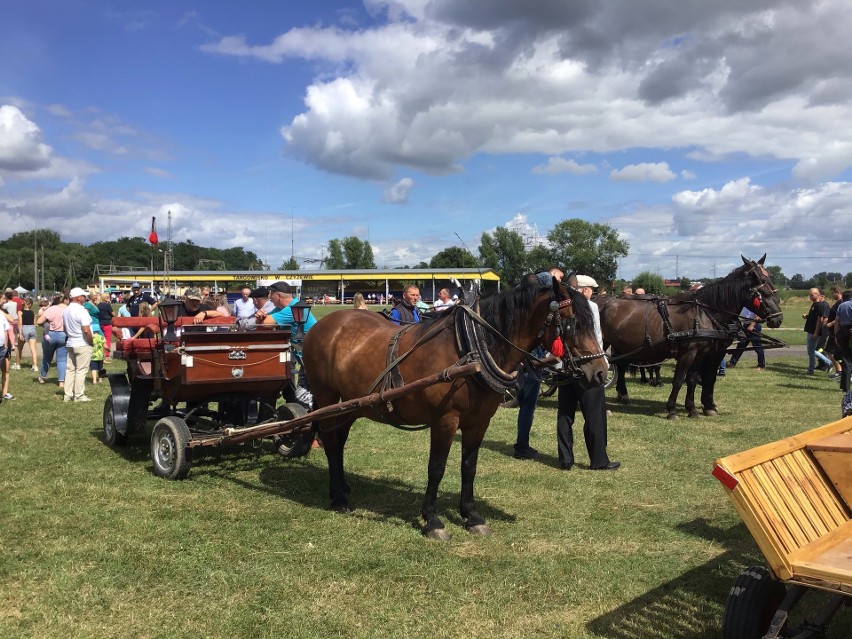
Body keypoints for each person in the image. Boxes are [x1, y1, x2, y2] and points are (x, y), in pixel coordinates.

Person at [556, 275, 619, 471]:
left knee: (565, 414)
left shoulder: (559, 308)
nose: (590, 292)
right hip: (587, 366)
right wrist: (603, 361)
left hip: (564, 367)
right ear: (583, 290)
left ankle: (565, 459)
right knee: (594, 414)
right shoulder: (589, 308)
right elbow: (596, 337)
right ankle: (598, 459)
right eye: (590, 289)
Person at [513, 268, 564, 459]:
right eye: (558, 279)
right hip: (531, 363)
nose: (559, 283)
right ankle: (522, 445)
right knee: (528, 406)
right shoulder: (546, 281)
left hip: (527, 360)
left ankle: (522, 443)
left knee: (527, 405)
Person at [263, 281, 317, 404]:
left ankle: (309, 419)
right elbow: (265, 320)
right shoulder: (283, 308)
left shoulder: (292, 309)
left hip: (313, 357)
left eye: (271, 294)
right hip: (303, 356)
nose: (270, 297)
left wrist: (261, 316)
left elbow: (265, 323)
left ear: (278, 295)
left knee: (303, 397)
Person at [63, 287, 94, 403]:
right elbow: (86, 330)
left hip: (71, 342)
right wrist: (91, 342)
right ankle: (79, 395)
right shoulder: (82, 311)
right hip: (82, 342)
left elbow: (65, 328)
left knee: (70, 370)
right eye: (83, 296)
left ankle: (68, 394)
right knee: (81, 370)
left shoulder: (66, 310)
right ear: (78, 298)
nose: (85, 298)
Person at [36, 293, 68, 387]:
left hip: (50, 334)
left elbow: (39, 321)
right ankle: (61, 381)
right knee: (62, 360)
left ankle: (42, 377)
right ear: (65, 300)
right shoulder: (68, 310)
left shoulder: (51, 309)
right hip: (63, 334)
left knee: (47, 357)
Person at [803, 287, 831, 375]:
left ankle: (812, 369)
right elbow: (815, 317)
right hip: (810, 330)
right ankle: (828, 363)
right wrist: (807, 316)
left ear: (818, 295)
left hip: (813, 332)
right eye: (810, 294)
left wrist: (816, 333)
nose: (810, 296)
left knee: (811, 351)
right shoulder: (814, 305)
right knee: (811, 351)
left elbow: (820, 320)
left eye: (813, 294)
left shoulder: (820, 305)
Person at [17, 298, 39, 372]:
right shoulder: (32, 312)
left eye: (25, 302)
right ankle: (35, 366)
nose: (23, 302)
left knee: (19, 348)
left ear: (28, 304)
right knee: (33, 349)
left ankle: (18, 365)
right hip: (32, 329)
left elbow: (20, 323)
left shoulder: (20, 312)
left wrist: (20, 333)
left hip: (24, 329)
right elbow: (34, 323)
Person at [0, 303, 14, 401]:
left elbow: (10, 322)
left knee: (6, 369)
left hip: (3, 346)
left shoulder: (3, 313)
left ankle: (4, 393)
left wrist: (6, 346)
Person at [97, 292, 114, 361]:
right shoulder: (107, 305)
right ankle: (107, 355)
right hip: (107, 323)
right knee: (107, 339)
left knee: (100, 339)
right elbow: (113, 314)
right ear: (106, 298)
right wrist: (110, 305)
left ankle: (100, 353)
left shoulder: (98, 305)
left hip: (100, 323)